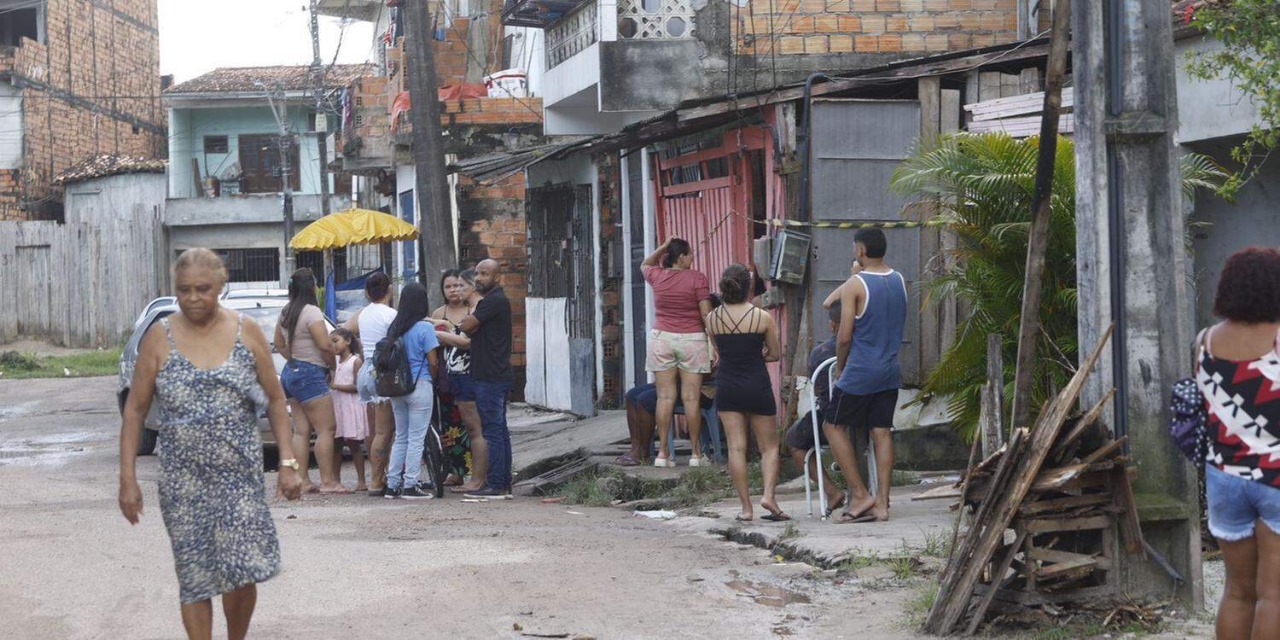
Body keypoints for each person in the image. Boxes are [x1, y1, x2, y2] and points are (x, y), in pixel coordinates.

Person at [119, 248, 302, 640]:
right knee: (195, 572)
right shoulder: (158, 337)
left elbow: (274, 397)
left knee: (242, 568)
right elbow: (135, 410)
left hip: (239, 477)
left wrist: (288, 462)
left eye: (203, 288)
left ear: (221, 286)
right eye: (184, 290)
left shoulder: (246, 330)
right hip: (182, 483)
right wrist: (127, 479)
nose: (193, 297)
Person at [1196, 247, 1280, 640]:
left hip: (1224, 479)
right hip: (1275, 477)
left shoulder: (1205, 342)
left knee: (1237, 592)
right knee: (1274, 596)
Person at [822, 228, 907, 524]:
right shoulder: (899, 280)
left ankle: (859, 493)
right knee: (881, 432)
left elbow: (844, 336)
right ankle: (882, 503)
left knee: (832, 425)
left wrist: (842, 366)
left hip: (860, 371)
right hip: (889, 370)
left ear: (859, 250)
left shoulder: (855, 285)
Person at [707, 263, 787, 522]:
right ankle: (768, 496)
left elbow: (718, 354)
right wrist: (759, 355)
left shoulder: (712, 319)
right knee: (769, 447)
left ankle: (746, 508)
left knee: (736, 448)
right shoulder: (762, 317)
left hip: (727, 385)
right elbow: (774, 354)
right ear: (748, 287)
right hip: (756, 384)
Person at [642, 237, 715, 468]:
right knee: (691, 398)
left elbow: (645, 263)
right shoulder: (697, 278)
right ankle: (695, 454)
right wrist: (715, 344)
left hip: (661, 339)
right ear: (681, 257)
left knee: (664, 398)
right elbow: (706, 315)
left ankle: (662, 454)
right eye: (689, 254)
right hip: (692, 341)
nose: (692, 258)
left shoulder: (657, 276)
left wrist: (664, 247)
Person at [275, 268, 345, 494]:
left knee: (301, 430)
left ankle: (303, 480)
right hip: (311, 374)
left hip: (291, 373)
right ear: (312, 287)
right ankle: (328, 481)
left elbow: (278, 343)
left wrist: (292, 358)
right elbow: (325, 345)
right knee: (326, 429)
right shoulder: (312, 312)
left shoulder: (286, 311)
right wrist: (332, 367)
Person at [782, 302, 846, 516]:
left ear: (833, 325)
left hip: (833, 419)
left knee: (793, 439)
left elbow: (821, 392)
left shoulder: (821, 353)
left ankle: (832, 491)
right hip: (866, 419)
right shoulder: (869, 347)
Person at [461, 259, 515, 499]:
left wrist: (469, 318)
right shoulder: (492, 302)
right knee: (498, 430)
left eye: (484, 274)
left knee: (493, 431)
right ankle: (502, 483)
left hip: (491, 376)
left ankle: (496, 485)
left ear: (497, 278)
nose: (479, 278)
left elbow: (466, 326)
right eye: (477, 273)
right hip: (492, 374)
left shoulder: (493, 301)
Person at [381, 282, 441, 500]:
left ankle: (392, 485)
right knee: (417, 437)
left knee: (401, 436)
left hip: (397, 388)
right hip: (420, 385)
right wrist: (431, 381)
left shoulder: (394, 328)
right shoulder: (425, 328)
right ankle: (410, 485)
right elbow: (433, 362)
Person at [432, 268, 485, 493]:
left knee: (473, 425)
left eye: (457, 285)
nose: (454, 290)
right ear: (443, 290)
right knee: (450, 425)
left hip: (471, 373)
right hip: (446, 374)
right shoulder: (437, 313)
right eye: (448, 286)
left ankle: (478, 471)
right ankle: (456, 471)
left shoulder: (473, 310)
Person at [345, 272, 397, 497]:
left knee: (375, 430)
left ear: (367, 293)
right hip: (384, 373)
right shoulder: (391, 314)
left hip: (366, 372)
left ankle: (378, 475)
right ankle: (377, 480)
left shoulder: (362, 314)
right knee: (385, 431)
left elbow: (344, 329)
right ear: (390, 290)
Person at [616, 379, 717, 467]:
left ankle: (644, 452)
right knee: (631, 395)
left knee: (645, 400)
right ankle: (636, 448)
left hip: (699, 388)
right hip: (674, 382)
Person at [329, 328, 368, 492]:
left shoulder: (355, 361)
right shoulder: (334, 363)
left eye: (336, 341)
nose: (333, 346)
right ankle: (336, 480)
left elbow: (357, 386)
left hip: (350, 407)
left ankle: (361, 480)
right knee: (336, 445)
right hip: (337, 407)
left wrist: (337, 386)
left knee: (354, 445)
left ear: (348, 341)